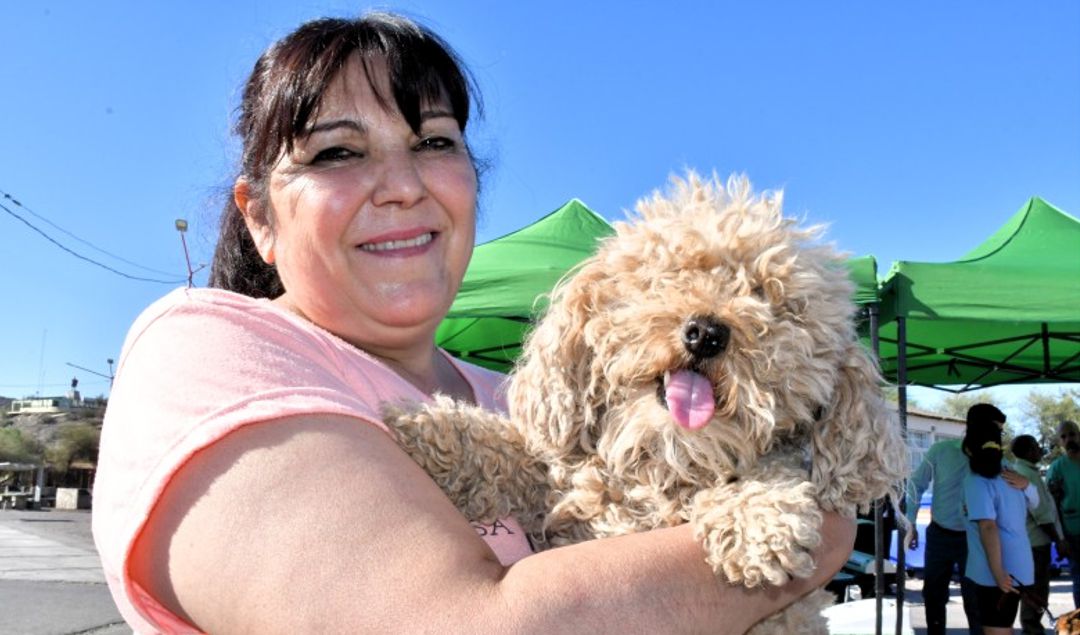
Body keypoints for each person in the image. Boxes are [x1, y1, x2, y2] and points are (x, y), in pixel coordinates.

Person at [90, 13, 855, 633]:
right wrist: (816, 536)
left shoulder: (524, 406)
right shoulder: (204, 351)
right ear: (258, 217)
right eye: (337, 152)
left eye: (432, 142)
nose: (400, 185)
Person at [962, 405, 1035, 635]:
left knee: (997, 629)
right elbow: (1036, 505)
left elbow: (988, 526)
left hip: (995, 571)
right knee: (1004, 626)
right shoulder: (1011, 474)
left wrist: (997, 571)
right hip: (1019, 565)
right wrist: (1029, 485)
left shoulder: (978, 480)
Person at [1010, 434, 1065, 635]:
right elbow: (1041, 514)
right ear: (1026, 452)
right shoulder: (1027, 475)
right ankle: (1032, 629)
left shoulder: (1024, 471)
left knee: (1028, 590)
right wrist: (1059, 541)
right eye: (1034, 447)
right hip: (1035, 543)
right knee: (1036, 592)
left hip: (1026, 543)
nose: (1039, 450)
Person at [1047, 420, 1080, 608]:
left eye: (1072, 434)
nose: (1069, 439)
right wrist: (1060, 538)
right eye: (1064, 436)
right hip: (1073, 533)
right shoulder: (1057, 468)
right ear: (1060, 441)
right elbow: (1053, 506)